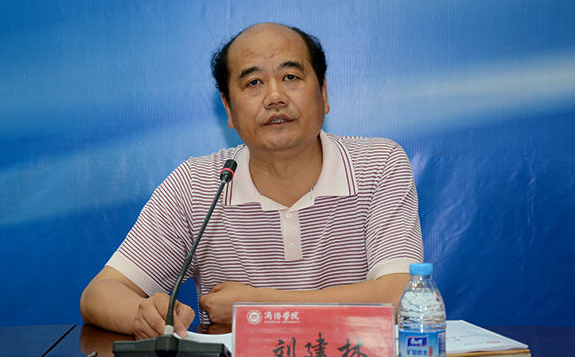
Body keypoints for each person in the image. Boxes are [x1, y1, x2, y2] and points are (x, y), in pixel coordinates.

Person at [80, 22, 423, 340]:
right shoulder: (198, 184)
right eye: (254, 83)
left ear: (323, 92)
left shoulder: (378, 165)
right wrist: (144, 316)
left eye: (290, 76)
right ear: (229, 109)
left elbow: (403, 296)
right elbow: (99, 294)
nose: (275, 97)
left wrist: (257, 307)